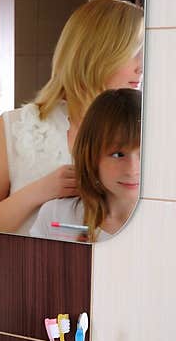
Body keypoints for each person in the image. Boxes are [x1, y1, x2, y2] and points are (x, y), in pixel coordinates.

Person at [0, 0, 144, 234]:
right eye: (134, 53)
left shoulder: (151, 132)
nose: (142, 66)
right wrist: (38, 192)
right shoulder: (15, 130)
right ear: (97, 54)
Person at [30, 88, 141, 242]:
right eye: (118, 154)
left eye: (143, 154)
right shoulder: (57, 216)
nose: (132, 170)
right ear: (92, 156)